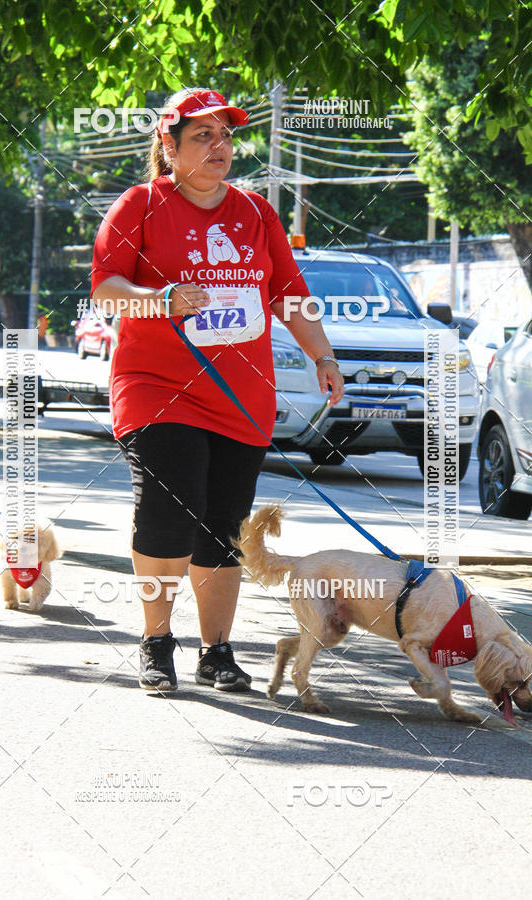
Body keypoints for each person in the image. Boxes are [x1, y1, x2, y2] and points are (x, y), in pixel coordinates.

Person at [91, 88, 344, 693]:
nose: (218, 147)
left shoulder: (256, 214)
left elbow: (288, 293)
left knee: (223, 525)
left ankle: (217, 651)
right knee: (167, 509)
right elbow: (105, 289)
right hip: (157, 388)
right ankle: (156, 641)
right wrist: (159, 300)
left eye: (225, 136)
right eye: (202, 135)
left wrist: (323, 354)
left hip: (240, 398)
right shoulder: (141, 205)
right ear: (168, 146)